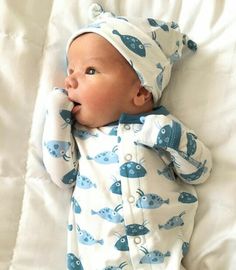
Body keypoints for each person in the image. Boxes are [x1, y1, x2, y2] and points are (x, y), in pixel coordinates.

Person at [42, 3, 212, 269]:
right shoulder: (82, 136)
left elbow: (199, 172)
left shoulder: (160, 127)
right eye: (70, 70)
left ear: (141, 92)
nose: (69, 82)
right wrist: (55, 115)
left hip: (164, 261)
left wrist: (174, 139)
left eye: (90, 71)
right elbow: (62, 176)